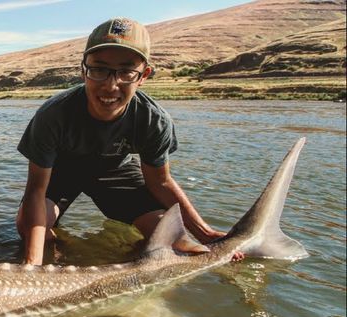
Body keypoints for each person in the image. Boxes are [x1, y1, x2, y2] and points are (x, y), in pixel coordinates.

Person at [16, 17, 240, 265]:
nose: (111, 86)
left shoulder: (153, 120)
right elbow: (36, 190)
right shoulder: (53, 114)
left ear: (143, 75)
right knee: (27, 230)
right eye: (99, 69)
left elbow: (161, 182)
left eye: (126, 72)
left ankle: (126, 263)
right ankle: (64, 250)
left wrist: (205, 234)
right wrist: (32, 267)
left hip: (116, 170)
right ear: (83, 71)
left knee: (167, 238)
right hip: (63, 171)